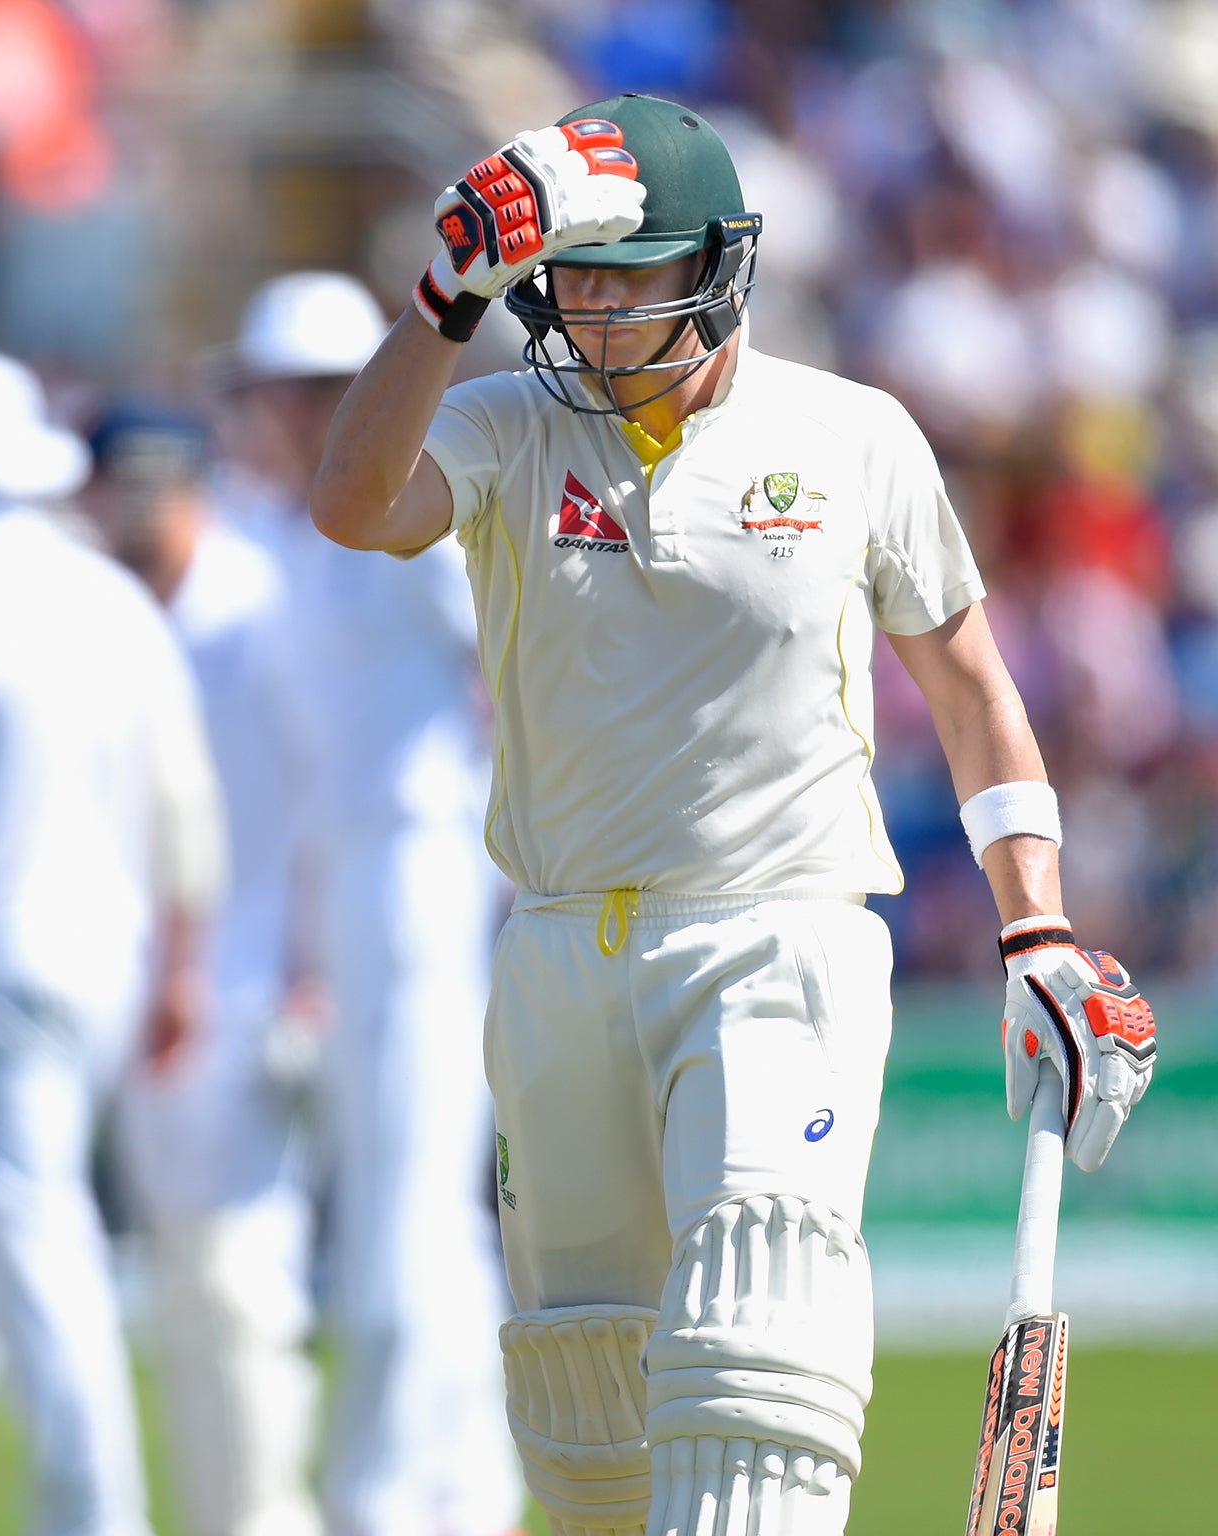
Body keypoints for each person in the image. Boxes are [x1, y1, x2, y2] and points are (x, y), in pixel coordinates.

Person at [312, 92, 1159, 1536]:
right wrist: (447, 298)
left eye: (619, 275)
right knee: (586, 1415)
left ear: (716, 268)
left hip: (779, 939)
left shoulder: (851, 436)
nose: (581, 308)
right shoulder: (513, 424)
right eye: (562, 276)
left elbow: (970, 689)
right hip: (562, 951)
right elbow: (351, 499)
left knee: (755, 1344)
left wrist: (1040, 931)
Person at [0, 347, 225, 1536]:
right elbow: (186, 807)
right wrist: (178, 968)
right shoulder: (107, 593)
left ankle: (93, 1511)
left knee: (35, 1244)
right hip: (105, 959)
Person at [217, 274, 524, 1536]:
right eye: (280, 391)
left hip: (414, 865)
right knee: (407, 1203)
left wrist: (501, 853)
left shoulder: (398, 521)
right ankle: (461, 1488)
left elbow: (509, 671)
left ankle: (385, 1497)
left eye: (316, 389)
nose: (296, 413)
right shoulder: (292, 534)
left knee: (400, 1207)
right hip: (350, 877)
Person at [86, 406, 320, 1536]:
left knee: (239, 1280)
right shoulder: (113, 617)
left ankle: (268, 1518)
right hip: (144, 985)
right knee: (180, 1286)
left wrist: (312, 968)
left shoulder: (257, 603)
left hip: (250, 976)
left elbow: (321, 796)